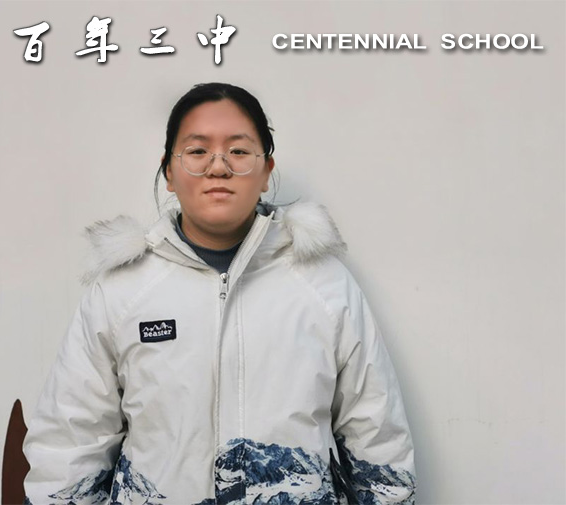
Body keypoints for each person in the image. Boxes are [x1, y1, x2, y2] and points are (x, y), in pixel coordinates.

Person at [23, 83, 416, 504]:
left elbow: (376, 433)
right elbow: (71, 442)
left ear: (266, 171)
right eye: (197, 151)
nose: (218, 167)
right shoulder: (122, 291)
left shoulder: (323, 285)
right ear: (168, 172)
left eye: (239, 151)